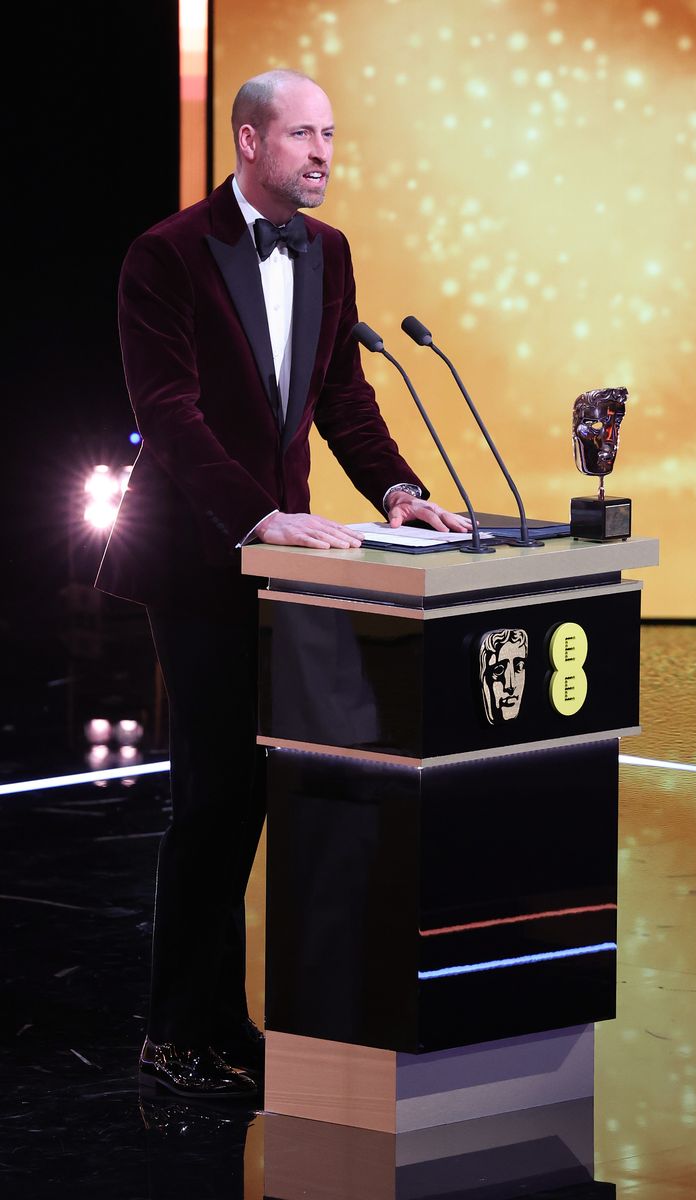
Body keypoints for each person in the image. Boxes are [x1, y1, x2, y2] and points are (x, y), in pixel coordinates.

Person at [95, 67, 469, 1100]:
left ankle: (235, 1021)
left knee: (276, 790)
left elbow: (340, 395)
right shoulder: (164, 255)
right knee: (214, 797)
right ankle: (177, 1028)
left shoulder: (330, 252)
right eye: (303, 135)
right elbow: (169, 413)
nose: (323, 154)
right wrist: (258, 518)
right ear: (248, 138)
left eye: (332, 136)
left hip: (300, 566)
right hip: (201, 556)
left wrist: (397, 490)